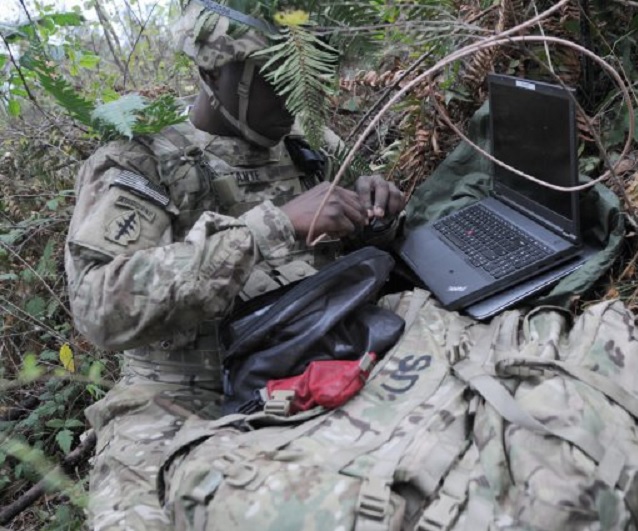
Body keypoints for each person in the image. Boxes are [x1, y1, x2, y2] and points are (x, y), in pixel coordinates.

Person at [64, 2, 404, 529]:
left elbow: (358, 250)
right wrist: (271, 227)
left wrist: (376, 215)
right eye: (273, 77)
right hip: (177, 397)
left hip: (313, 361)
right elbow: (100, 306)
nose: (295, 96)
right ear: (214, 72)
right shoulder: (139, 163)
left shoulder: (309, 147)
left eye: (303, 76)